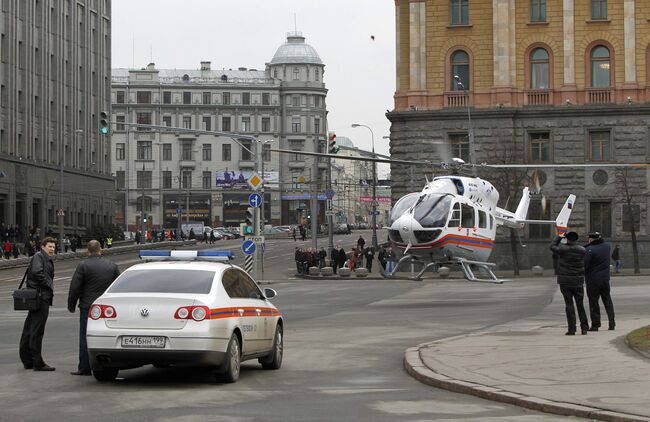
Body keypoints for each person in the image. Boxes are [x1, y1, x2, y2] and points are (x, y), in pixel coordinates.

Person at [67, 240, 120, 375]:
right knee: (104, 334)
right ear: (100, 249)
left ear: (87, 250)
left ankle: (84, 367)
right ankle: (103, 365)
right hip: (106, 307)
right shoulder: (112, 266)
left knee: (85, 335)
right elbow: (118, 287)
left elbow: (75, 287)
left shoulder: (83, 265)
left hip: (87, 306)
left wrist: (71, 305)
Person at [19, 237, 57, 371]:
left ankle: (27, 360)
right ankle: (37, 363)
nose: (52, 249)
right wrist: (49, 285)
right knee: (36, 331)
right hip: (40, 298)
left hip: (38, 297)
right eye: (50, 246)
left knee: (30, 329)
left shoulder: (43, 257)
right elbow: (37, 272)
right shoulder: (39, 256)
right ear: (42, 246)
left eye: (53, 247)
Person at [550, 231, 589, 335]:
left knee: (569, 304)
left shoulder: (563, 250)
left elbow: (552, 246)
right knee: (580, 305)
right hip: (578, 281)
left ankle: (572, 329)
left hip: (565, 281)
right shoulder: (582, 250)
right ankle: (584, 327)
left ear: (567, 239)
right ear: (576, 239)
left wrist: (559, 237)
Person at [584, 232, 616, 331]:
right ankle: (612, 323)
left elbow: (585, 265)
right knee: (607, 301)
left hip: (593, 280)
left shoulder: (589, 250)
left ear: (591, 239)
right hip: (605, 279)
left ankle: (595, 325)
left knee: (594, 303)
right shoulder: (607, 246)